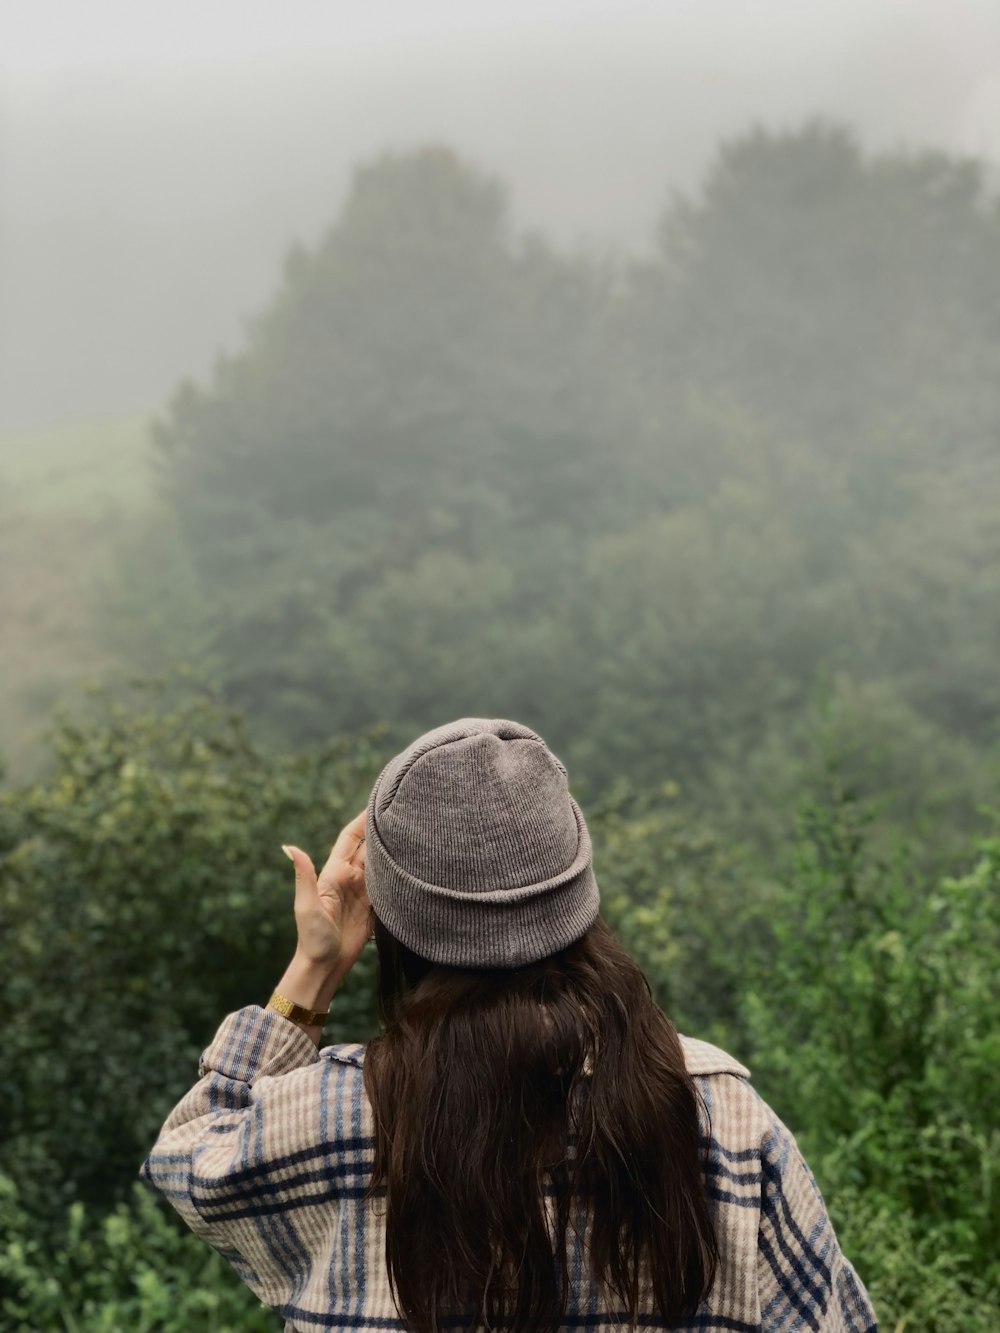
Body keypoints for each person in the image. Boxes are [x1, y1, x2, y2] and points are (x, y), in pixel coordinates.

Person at [140, 717, 878, 1333]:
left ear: (397, 921)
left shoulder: (333, 1118)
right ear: (578, 895)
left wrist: (315, 968)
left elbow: (187, 1155)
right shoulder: (719, 1114)